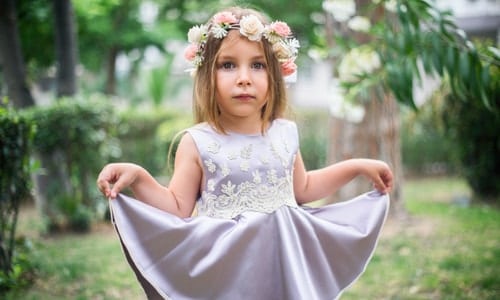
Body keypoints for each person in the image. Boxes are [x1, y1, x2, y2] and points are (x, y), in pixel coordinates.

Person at [97, 6, 393, 300]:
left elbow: (302, 188)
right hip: (227, 276)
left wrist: (355, 167)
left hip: (282, 267)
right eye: (228, 65)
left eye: (257, 65)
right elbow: (177, 207)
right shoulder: (198, 142)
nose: (244, 78)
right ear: (206, 74)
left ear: (275, 73)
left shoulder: (284, 133)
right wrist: (139, 177)